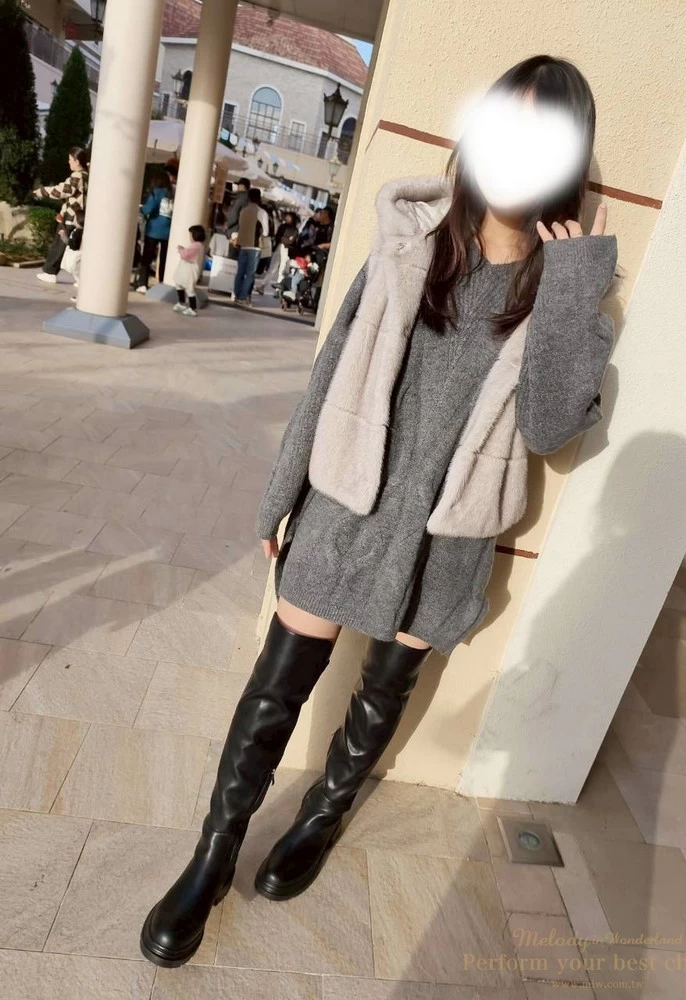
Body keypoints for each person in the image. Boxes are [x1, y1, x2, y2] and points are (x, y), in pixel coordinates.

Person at [140, 54, 618, 968]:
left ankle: (322, 816)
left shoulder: (562, 294)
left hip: (446, 537)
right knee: (274, 691)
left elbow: (553, 426)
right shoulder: (410, 242)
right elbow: (330, 374)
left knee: (380, 696)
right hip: (347, 504)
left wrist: (570, 284)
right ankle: (212, 857)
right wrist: (282, 496)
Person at [33, 147, 89, 284]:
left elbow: (63, 190)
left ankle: (50, 272)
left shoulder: (77, 176)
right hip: (78, 216)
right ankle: (79, 278)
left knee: (60, 244)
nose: (68, 162)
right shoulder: (86, 175)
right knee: (73, 247)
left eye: (70, 159)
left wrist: (43, 191)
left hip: (72, 215)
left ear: (77, 161)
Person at [136, 171, 174, 292]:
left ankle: (143, 284)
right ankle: (163, 283)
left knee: (147, 258)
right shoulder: (172, 194)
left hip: (153, 230)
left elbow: (148, 209)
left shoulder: (156, 192)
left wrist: (141, 209)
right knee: (164, 259)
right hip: (168, 231)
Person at [230, 188, 268, 305]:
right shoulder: (261, 212)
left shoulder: (243, 211)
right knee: (250, 274)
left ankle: (236, 295)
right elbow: (266, 232)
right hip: (255, 246)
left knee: (240, 272)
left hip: (243, 245)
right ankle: (243, 297)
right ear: (259, 197)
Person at [172, 225, 206, 318]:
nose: (190, 237)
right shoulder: (199, 245)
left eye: (191, 235)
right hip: (187, 270)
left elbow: (186, 255)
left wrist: (181, 250)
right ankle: (181, 303)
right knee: (179, 284)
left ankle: (192, 308)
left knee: (189, 288)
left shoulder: (196, 245)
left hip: (189, 271)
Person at [224, 177, 251, 260]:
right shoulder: (248, 199)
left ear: (242, 186)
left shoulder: (241, 199)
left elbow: (234, 215)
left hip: (235, 231)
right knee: (237, 257)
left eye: (239, 185)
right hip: (243, 232)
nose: (238, 187)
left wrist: (227, 225)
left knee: (232, 256)